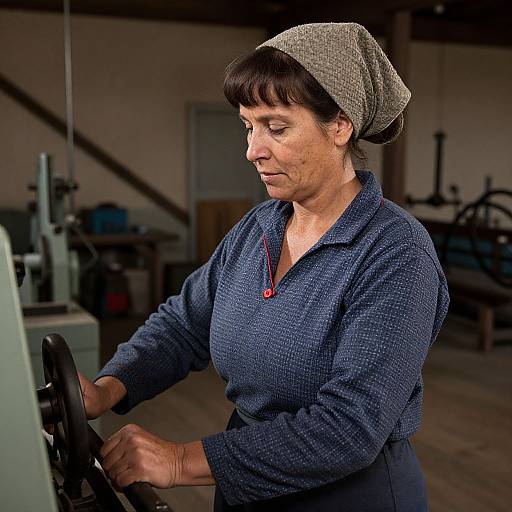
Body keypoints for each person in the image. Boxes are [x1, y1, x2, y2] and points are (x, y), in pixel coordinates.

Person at [79, 23, 450, 511]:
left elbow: (350, 426)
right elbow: (184, 323)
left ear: (340, 126)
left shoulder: (395, 253)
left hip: (349, 495)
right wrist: (105, 390)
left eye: (276, 127)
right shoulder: (261, 226)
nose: (253, 149)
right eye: (248, 126)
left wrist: (179, 461)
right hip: (248, 483)